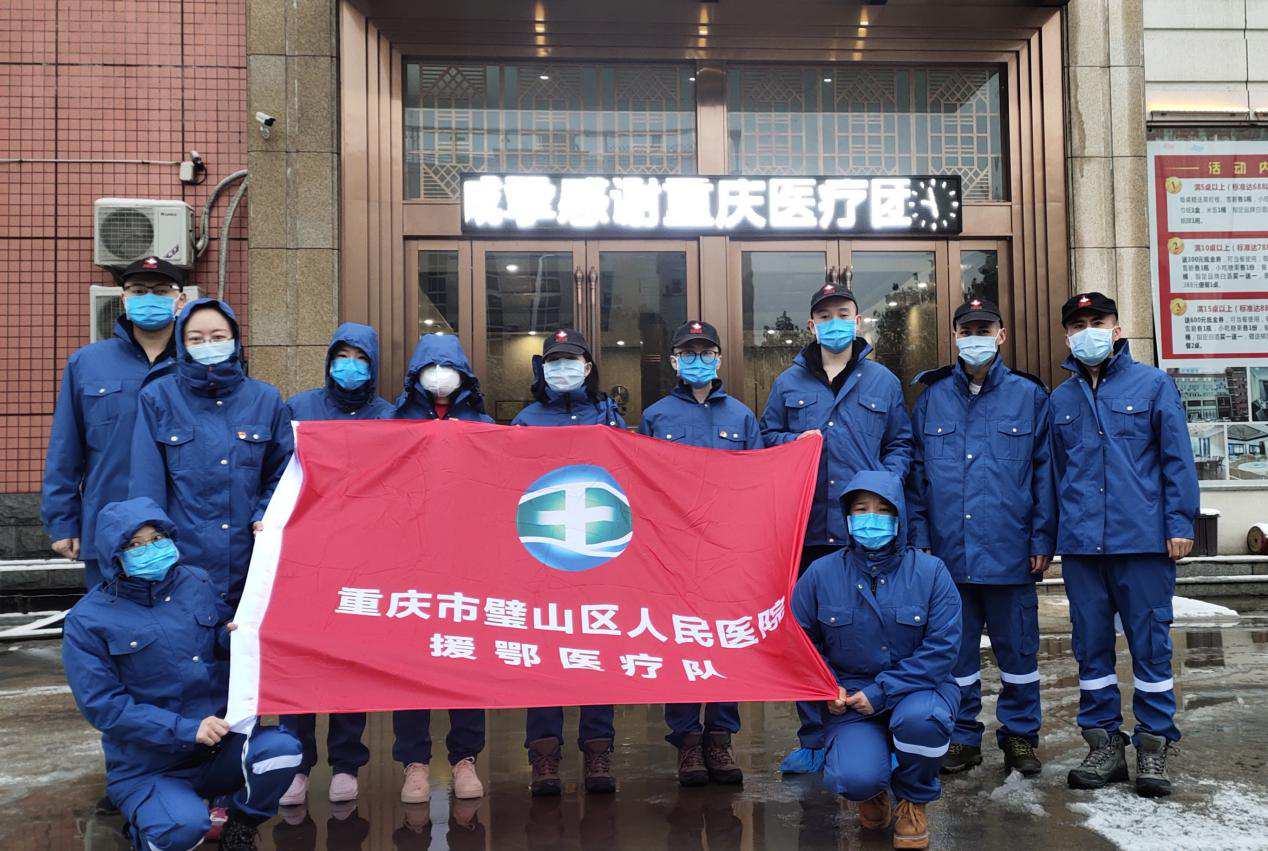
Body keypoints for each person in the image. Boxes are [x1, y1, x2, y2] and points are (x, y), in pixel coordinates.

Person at [62, 497, 302, 851]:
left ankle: (240, 824)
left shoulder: (195, 581)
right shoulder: (88, 620)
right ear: (115, 554)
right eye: (135, 545)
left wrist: (239, 635)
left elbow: (220, 637)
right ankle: (147, 831)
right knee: (183, 829)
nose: (150, 549)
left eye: (157, 538)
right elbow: (104, 707)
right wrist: (187, 729)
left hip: (218, 749)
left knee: (282, 750)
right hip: (149, 766)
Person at [760, 281, 914, 773]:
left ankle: (885, 730)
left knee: (876, 629)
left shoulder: (883, 381)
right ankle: (814, 738)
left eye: (843, 314)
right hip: (806, 530)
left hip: (866, 529)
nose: (834, 324)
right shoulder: (788, 383)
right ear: (812, 325)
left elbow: (901, 444)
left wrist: (884, 484)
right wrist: (791, 441)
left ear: (858, 321)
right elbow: (766, 437)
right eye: (825, 317)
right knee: (808, 636)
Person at [1049, 292, 1198, 797]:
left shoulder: (1153, 385)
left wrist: (1180, 523)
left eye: (1097, 321)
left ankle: (1153, 745)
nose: (1087, 330)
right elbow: (1055, 475)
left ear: (1116, 329)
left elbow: (1176, 458)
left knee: (1151, 647)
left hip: (1143, 543)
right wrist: (1050, 537)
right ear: (1067, 336)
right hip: (1083, 548)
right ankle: (1104, 744)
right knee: (1090, 648)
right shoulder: (1060, 400)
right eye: (1078, 324)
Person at [906, 298, 1056, 777]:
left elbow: (1044, 474)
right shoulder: (931, 399)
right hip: (948, 555)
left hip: (1010, 552)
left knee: (1019, 654)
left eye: (984, 329)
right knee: (955, 655)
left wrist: (1041, 540)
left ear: (1001, 335)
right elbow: (916, 478)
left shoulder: (1030, 397)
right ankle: (962, 736)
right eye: (967, 330)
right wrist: (920, 537)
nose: (976, 338)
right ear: (954, 337)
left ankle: (1020, 736)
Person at [793, 471, 960, 851]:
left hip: (918, 690)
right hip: (850, 698)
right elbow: (799, 641)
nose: (872, 518)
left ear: (900, 516)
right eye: (861, 509)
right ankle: (873, 791)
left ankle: (913, 800)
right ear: (847, 516)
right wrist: (826, 686)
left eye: (884, 509)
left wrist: (883, 691)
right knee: (852, 777)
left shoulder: (931, 572)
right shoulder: (821, 573)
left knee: (923, 722)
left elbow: (942, 648)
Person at [637, 320, 760, 786]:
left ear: (719, 359)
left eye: (706, 353)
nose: (698, 360)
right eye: (688, 353)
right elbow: (642, 485)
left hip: (728, 552)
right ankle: (688, 741)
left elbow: (757, 482)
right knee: (683, 646)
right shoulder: (656, 417)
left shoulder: (742, 418)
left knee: (725, 644)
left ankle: (720, 738)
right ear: (674, 361)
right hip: (675, 554)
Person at [278, 323, 394, 807]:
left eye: (360, 358)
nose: (350, 366)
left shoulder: (388, 415)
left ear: (373, 364)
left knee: (349, 664)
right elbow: (277, 473)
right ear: (328, 361)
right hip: (305, 554)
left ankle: (346, 763)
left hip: (361, 558)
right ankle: (296, 764)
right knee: (300, 662)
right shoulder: (299, 408)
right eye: (342, 356)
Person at [512, 328, 625, 795]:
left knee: (595, 653)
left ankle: (597, 750)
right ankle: (544, 754)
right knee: (544, 656)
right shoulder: (525, 420)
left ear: (587, 367)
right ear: (543, 368)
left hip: (599, 552)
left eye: (571, 360)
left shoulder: (609, 416)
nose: (563, 369)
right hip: (541, 555)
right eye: (554, 361)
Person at [129, 298, 293, 605]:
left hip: (251, 554)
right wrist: (153, 545)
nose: (208, 345)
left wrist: (264, 515)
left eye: (218, 337)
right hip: (183, 557)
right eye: (196, 339)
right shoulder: (158, 397)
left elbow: (284, 472)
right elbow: (146, 482)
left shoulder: (265, 398)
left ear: (235, 340)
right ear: (182, 343)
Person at [43, 256, 186, 590]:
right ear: (124, 298)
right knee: (110, 614)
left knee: (187, 612)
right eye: (138, 290)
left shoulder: (196, 363)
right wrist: (62, 522)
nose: (149, 298)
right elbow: (66, 446)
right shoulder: (87, 363)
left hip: (183, 520)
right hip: (109, 519)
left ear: (180, 300)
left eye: (161, 291)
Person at [391, 332, 491, 804]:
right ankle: (414, 762)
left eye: (447, 366)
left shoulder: (483, 425)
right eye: (430, 367)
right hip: (407, 562)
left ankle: (465, 758)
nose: (439, 375)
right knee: (408, 666)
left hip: (467, 562)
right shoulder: (392, 424)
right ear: (416, 374)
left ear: (463, 374)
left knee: (464, 662)